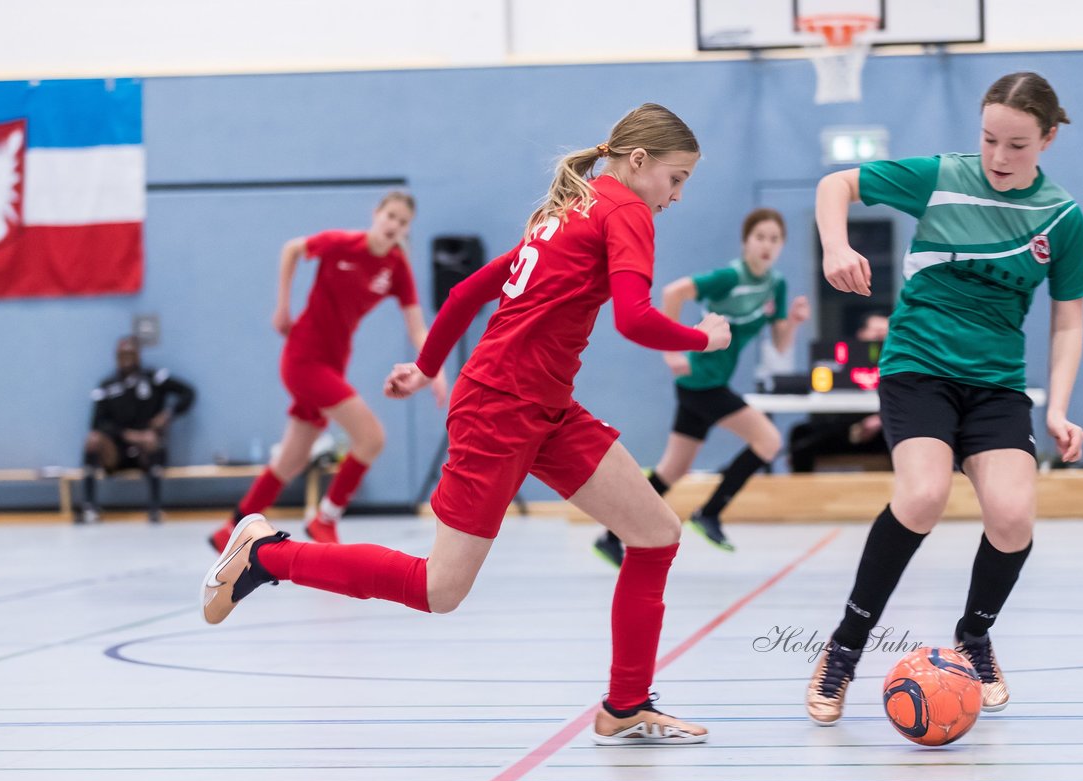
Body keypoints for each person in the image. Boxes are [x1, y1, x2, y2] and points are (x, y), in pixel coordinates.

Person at [201, 103, 730, 744]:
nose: (676, 196)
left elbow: (467, 292)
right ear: (640, 163)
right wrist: (702, 336)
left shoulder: (567, 210)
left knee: (654, 533)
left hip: (541, 405)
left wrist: (425, 369)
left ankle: (625, 706)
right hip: (502, 408)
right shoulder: (625, 211)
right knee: (439, 588)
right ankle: (267, 554)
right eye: (677, 179)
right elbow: (634, 318)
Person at [805, 72, 1083, 725]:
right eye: (989, 139)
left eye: (1017, 145)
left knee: (1014, 516)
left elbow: (1069, 317)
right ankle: (844, 649)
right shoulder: (942, 177)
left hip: (995, 384)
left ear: (1047, 139)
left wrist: (1057, 407)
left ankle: (975, 637)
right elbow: (835, 184)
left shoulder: (1062, 217)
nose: (998, 157)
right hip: (918, 367)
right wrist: (836, 243)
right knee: (923, 496)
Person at [208, 191, 447, 551]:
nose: (394, 225)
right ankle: (325, 519)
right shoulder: (341, 244)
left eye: (403, 222)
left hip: (334, 362)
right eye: (390, 216)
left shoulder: (396, 267)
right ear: (376, 214)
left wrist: (434, 368)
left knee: (290, 461)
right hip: (304, 358)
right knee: (372, 438)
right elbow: (291, 249)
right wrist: (282, 308)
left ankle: (230, 528)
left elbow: (416, 325)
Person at [593, 208, 809, 566]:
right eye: (760, 237)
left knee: (672, 469)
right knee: (768, 441)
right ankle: (709, 513)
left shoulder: (776, 285)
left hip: (708, 384)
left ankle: (611, 537)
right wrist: (671, 347)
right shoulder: (729, 277)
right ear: (746, 242)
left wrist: (795, 322)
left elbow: (781, 342)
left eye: (775, 239)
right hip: (702, 382)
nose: (767, 245)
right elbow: (674, 292)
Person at [81, 335, 196, 523]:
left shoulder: (153, 378)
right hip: (117, 451)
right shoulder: (107, 386)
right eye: (121, 354)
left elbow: (188, 393)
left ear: (138, 355)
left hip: (147, 450)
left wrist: (168, 414)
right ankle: (89, 507)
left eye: (130, 354)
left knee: (151, 440)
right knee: (93, 440)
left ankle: (155, 508)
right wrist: (129, 435)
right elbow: (96, 423)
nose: (126, 358)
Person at [787, 312, 891, 473]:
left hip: (882, 430)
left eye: (885, 332)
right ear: (861, 333)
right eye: (876, 331)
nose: (880, 337)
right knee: (801, 435)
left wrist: (880, 419)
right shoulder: (838, 359)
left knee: (902, 438)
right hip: (841, 428)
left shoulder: (899, 364)